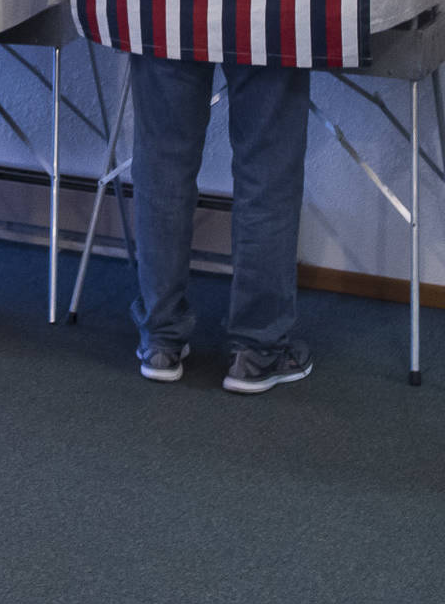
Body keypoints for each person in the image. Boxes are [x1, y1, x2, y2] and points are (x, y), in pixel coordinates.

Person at [129, 57, 313, 394]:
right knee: (266, 170)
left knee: (163, 163)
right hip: (269, 8)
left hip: (163, 7)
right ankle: (258, 352)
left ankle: (160, 341)